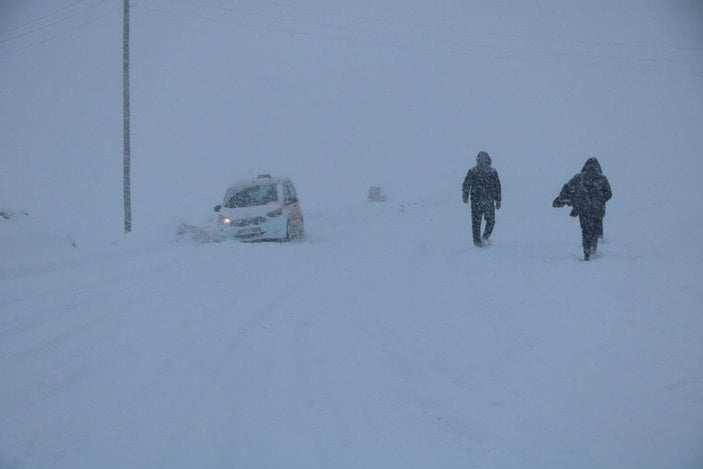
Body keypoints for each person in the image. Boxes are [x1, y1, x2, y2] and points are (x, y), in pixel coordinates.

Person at [553, 157, 612, 261]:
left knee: (585, 231)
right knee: (595, 231)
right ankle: (593, 249)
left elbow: (566, 188)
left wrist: (562, 198)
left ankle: (587, 253)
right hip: (597, 211)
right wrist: (600, 199)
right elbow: (609, 194)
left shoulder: (578, 178)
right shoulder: (602, 179)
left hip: (584, 210)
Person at [462, 151, 502, 247]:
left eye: (484, 159)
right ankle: (477, 243)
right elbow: (466, 184)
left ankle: (484, 238)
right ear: (478, 160)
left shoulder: (493, 172)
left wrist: (498, 200)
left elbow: (497, 186)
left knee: (491, 221)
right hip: (476, 201)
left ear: (488, 160)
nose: (482, 161)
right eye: (480, 159)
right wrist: (465, 195)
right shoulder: (473, 171)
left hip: (489, 201)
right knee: (476, 223)